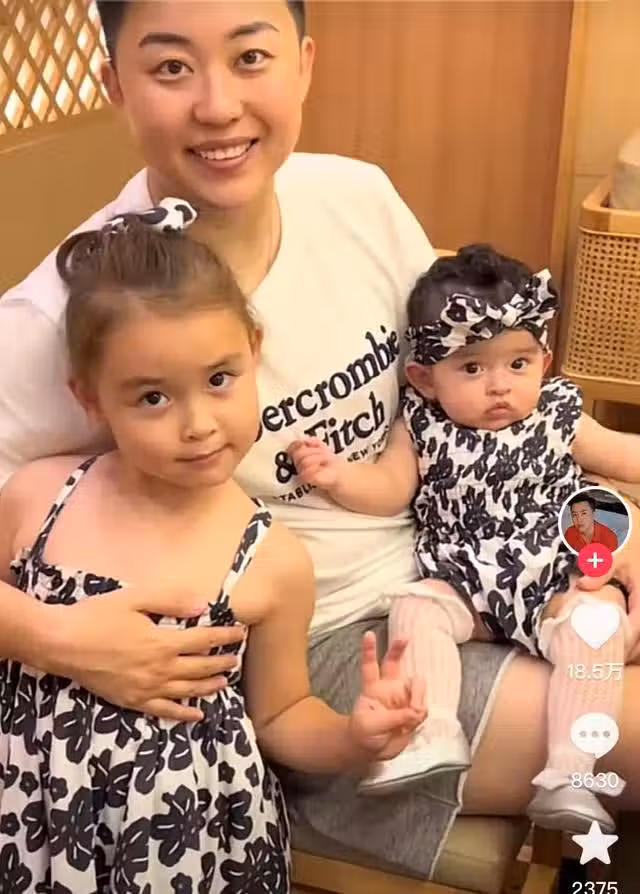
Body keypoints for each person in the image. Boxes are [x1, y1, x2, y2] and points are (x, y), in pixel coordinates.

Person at [2, 0, 640, 881]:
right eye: (172, 67)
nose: (219, 105)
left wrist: (594, 522)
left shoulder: (353, 198)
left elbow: (471, 382)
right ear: (116, 84)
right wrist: (59, 639)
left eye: (250, 57)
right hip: (325, 647)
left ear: (303, 64)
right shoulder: (59, 320)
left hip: (476, 551)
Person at [0, 204, 426, 891]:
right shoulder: (38, 497)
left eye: (220, 379)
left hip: (188, 843)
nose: (198, 424)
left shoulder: (273, 560)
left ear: (254, 349)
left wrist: (352, 737)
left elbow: (281, 715)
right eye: (152, 398)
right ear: (91, 398)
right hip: (31, 817)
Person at [289, 244, 640, 834]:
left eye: (518, 364)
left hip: (555, 573)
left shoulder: (558, 415)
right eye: (472, 369)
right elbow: (390, 489)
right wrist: (338, 477)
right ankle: (434, 733)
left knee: (596, 623)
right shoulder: (421, 425)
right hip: (462, 578)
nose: (499, 386)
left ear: (544, 360)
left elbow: (624, 456)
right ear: (424, 379)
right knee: (415, 608)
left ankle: (571, 771)